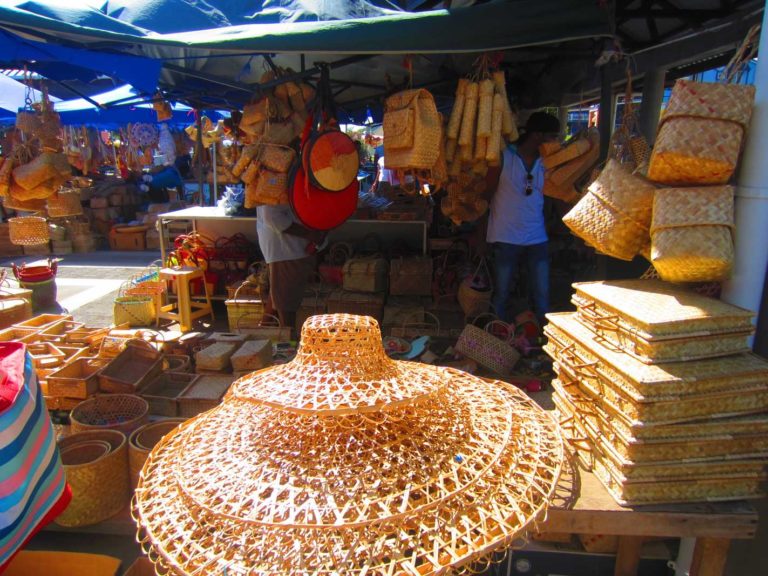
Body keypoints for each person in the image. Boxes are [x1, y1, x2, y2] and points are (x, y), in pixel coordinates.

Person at [486, 111, 561, 327]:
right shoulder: (503, 158)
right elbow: (486, 196)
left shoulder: (548, 162)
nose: (555, 142)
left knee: (542, 294)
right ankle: (496, 334)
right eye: (552, 136)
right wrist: (481, 234)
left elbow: (551, 196)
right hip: (505, 236)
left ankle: (543, 337)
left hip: (536, 237)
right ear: (537, 135)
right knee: (501, 293)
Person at [256, 204, 325, 332]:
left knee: (279, 296)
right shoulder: (277, 191)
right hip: (288, 250)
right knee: (286, 307)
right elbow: (272, 216)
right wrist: (310, 234)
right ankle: (289, 342)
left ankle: (261, 333)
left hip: (288, 249)